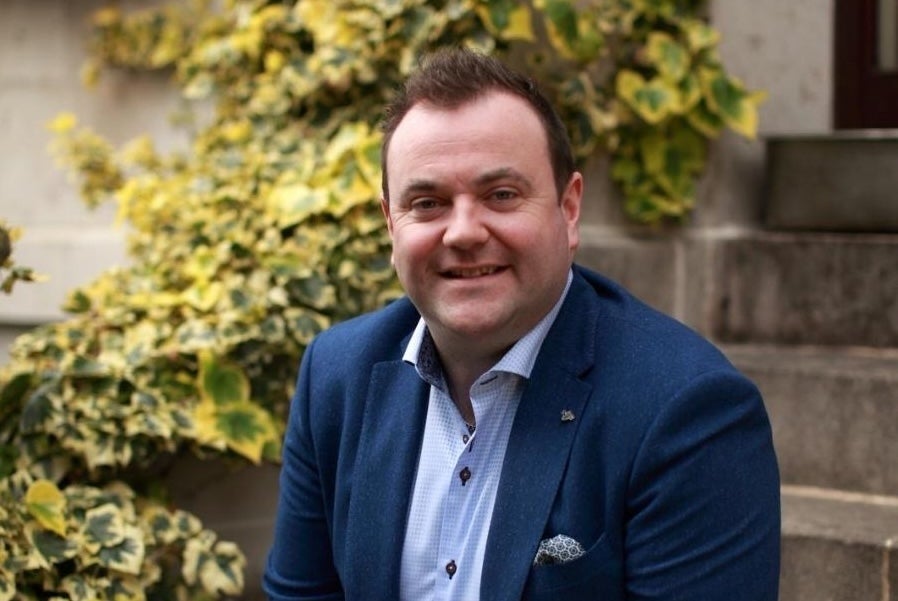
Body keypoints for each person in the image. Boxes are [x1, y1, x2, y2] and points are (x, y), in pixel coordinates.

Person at [262, 48, 780, 601]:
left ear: (569, 208)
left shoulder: (686, 410)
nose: (462, 232)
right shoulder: (336, 376)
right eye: (428, 202)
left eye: (501, 195)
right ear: (392, 224)